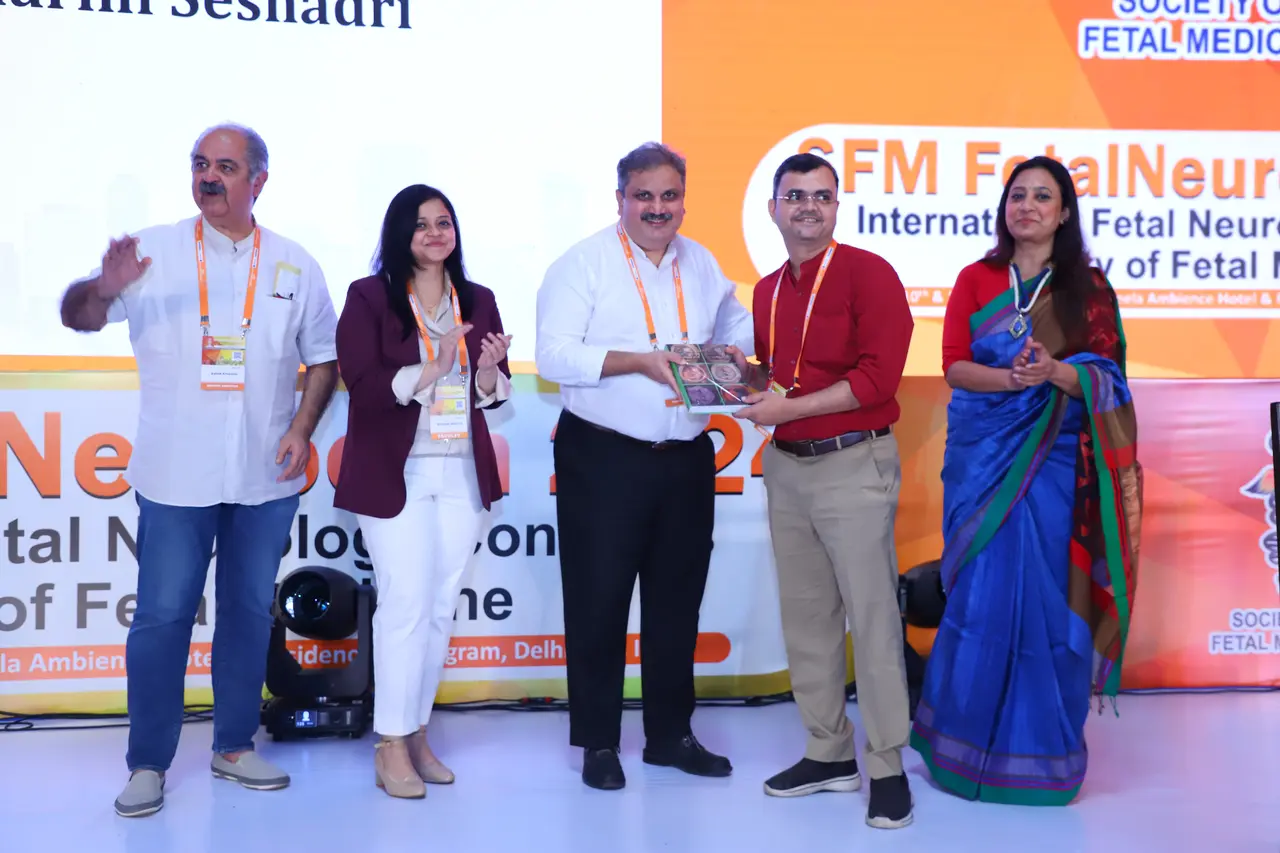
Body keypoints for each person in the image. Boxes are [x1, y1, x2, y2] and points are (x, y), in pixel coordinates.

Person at [59, 123, 340, 818]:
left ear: (258, 181)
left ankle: (234, 746)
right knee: (162, 618)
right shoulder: (151, 252)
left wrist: (302, 429)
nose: (208, 176)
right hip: (174, 475)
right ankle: (148, 763)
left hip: (264, 476)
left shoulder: (295, 263)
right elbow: (78, 316)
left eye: (225, 166)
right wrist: (103, 285)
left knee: (246, 613)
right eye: (199, 164)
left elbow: (324, 358)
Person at [909, 155, 1143, 806]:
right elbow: (954, 366)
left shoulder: (1087, 290)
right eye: (1018, 195)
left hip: (1056, 467)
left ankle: (1043, 759)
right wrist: (1013, 379)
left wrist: (1055, 373)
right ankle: (958, 751)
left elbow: (1111, 380)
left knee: (1047, 600)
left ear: (1064, 213)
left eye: (1043, 196)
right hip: (983, 460)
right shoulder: (977, 278)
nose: (1028, 206)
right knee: (979, 601)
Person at [534, 142, 755, 791]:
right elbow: (553, 355)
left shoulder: (703, 263)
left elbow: (737, 327)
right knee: (598, 601)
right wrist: (638, 361)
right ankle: (599, 742)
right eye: (644, 196)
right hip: (604, 455)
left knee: (677, 601)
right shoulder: (583, 263)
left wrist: (735, 357)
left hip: (685, 459)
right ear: (621, 199)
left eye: (669, 196)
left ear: (683, 200)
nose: (657, 208)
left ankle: (669, 735)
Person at [732, 152, 916, 830]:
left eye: (821, 196)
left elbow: (877, 380)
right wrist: (734, 379)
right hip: (787, 466)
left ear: (837, 206)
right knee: (806, 617)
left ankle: (887, 766)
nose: (808, 206)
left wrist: (788, 408)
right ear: (773, 208)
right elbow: (780, 375)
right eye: (795, 196)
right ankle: (828, 751)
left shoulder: (870, 273)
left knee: (872, 618)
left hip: (852, 463)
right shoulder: (767, 290)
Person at [332, 184, 512, 799]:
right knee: (405, 604)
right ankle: (389, 742)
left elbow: (494, 393)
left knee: (438, 607)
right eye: (422, 225)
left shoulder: (479, 299)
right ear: (399, 234)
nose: (436, 234)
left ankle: (416, 733)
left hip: (460, 470)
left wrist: (484, 373)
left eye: (444, 222)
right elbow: (361, 384)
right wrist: (428, 370)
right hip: (397, 471)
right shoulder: (369, 296)